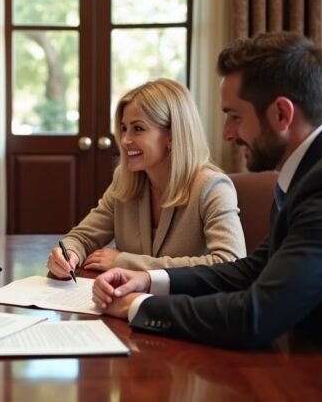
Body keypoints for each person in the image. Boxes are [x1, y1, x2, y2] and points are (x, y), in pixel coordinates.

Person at [92, 32, 322, 370]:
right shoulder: (321, 169)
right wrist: (150, 280)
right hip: (310, 358)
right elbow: (254, 269)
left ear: (282, 114)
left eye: (234, 116)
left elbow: (256, 315)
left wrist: (138, 306)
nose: (227, 133)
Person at [47, 79, 246, 278]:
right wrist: (68, 253)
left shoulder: (212, 187)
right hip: (126, 301)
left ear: (172, 135)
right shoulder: (125, 180)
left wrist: (125, 262)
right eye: (124, 128)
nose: (124, 140)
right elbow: (83, 237)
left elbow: (230, 264)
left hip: (187, 305)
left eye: (138, 129)